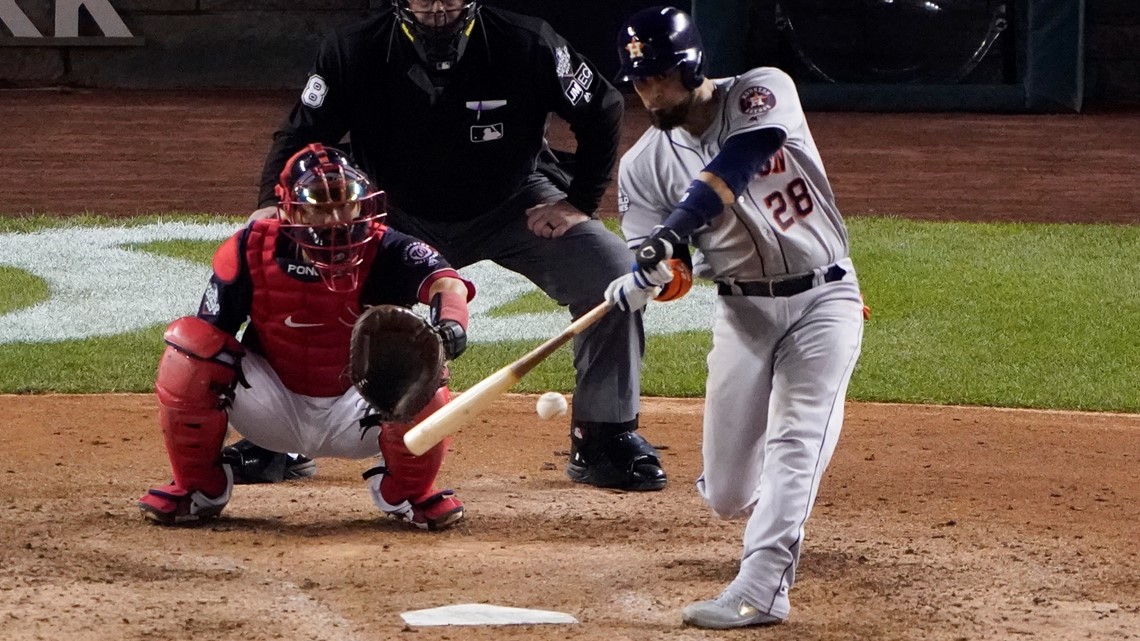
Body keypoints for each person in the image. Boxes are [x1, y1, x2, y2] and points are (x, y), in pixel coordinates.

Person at [228, 0, 667, 492]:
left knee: (610, 272)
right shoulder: (352, 50)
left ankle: (604, 435)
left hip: (515, 203)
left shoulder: (529, 42)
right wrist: (270, 205)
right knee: (294, 270)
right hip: (388, 214)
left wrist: (579, 202)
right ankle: (279, 437)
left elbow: (603, 105)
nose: (438, 8)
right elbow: (301, 135)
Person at [604, 6, 866, 629]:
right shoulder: (642, 166)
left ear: (690, 66)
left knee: (795, 440)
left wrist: (668, 235)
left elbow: (738, 164)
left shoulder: (761, 91)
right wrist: (649, 279)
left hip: (823, 300)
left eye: (660, 76)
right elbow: (676, 273)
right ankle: (772, 499)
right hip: (743, 313)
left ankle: (764, 585)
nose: (649, 91)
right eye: (639, 80)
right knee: (725, 494)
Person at [139, 144, 474, 531]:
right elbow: (211, 333)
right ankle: (199, 490)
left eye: (345, 203)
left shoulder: (387, 246)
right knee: (190, 349)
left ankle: (408, 493)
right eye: (319, 205)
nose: (336, 219)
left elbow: (447, 283)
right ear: (290, 208)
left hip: (361, 409)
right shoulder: (250, 247)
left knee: (425, 373)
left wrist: (451, 323)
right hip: (271, 407)